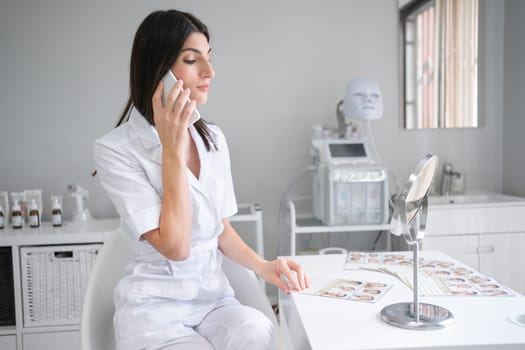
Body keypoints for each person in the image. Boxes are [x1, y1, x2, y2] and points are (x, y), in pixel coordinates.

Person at [93, 9, 309, 350]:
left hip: (213, 301)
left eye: (208, 58)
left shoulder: (213, 140)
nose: (210, 72)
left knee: (259, 331)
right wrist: (172, 149)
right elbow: (176, 246)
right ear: (157, 71)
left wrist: (263, 266)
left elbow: (219, 228)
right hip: (154, 310)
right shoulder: (115, 150)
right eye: (192, 60)